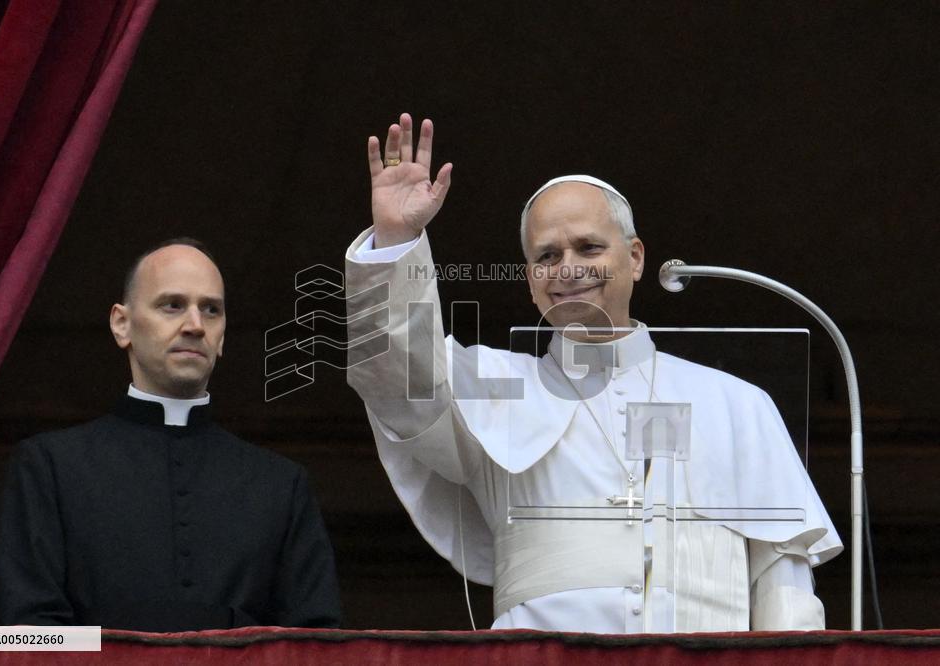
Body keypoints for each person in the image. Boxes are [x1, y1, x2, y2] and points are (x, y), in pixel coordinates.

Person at [344, 113, 842, 633]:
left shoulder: (737, 404)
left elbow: (785, 589)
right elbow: (398, 377)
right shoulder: (497, 389)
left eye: (588, 247)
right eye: (546, 256)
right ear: (531, 283)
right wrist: (397, 239)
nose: (567, 268)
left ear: (635, 258)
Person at [0, 239, 341, 631]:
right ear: (122, 324)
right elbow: (28, 636)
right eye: (172, 305)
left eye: (211, 310)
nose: (195, 325)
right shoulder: (49, 468)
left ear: (223, 336)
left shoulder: (281, 485)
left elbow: (315, 643)